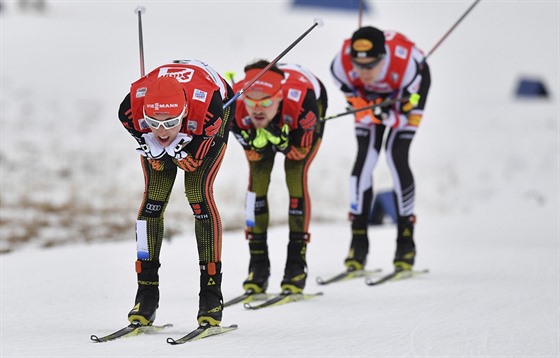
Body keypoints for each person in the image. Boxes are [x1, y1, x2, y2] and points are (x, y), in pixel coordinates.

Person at [117, 59, 235, 327]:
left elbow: (199, 147)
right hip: (178, 106)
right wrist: (150, 148)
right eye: (153, 122)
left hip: (211, 108)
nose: (161, 131)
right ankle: (146, 294)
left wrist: (189, 153)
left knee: (198, 193)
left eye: (169, 122)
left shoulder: (208, 110)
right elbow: (143, 132)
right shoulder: (130, 110)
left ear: (182, 114)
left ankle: (211, 295)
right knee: (152, 201)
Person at [330, 26, 431, 273]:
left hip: (405, 97)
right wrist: (370, 108)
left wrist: (387, 112)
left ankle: (405, 243)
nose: (363, 72)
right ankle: (358, 243)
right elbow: (353, 97)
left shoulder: (408, 66)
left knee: (396, 156)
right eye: (358, 65)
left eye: (370, 66)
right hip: (368, 100)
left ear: (383, 58)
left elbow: (405, 113)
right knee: (365, 158)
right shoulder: (340, 67)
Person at [230, 61, 328, 294]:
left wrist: (281, 141)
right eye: (251, 101)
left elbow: (297, 151)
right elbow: (255, 150)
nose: (257, 109)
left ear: (279, 97)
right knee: (257, 183)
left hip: (305, 103)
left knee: (295, 175)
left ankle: (296, 266)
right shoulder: (234, 105)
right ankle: (258, 267)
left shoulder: (302, 104)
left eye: (265, 102)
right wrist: (263, 142)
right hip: (277, 115)